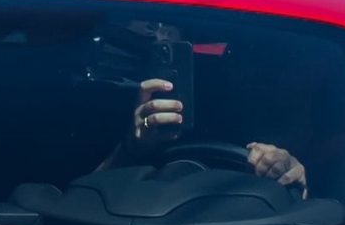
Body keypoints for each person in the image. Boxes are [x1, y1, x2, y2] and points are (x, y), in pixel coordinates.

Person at [115, 77, 309, 196]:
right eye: (237, 61)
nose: (251, 81)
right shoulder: (164, 129)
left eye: (266, 74)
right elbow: (88, 200)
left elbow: (322, 219)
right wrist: (133, 146)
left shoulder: (309, 136)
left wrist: (291, 176)